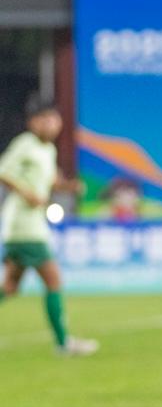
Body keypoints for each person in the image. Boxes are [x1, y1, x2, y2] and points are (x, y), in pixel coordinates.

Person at [0, 97, 97, 356]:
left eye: (54, 119)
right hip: (24, 225)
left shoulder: (48, 150)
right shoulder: (25, 144)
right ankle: (63, 343)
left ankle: (64, 343)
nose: (51, 124)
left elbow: (50, 181)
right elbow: (3, 171)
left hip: (27, 226)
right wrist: (27, 193)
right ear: (33, 123)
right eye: (44, 119)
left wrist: (69, 186)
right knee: (53, 280)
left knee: (10, 287)